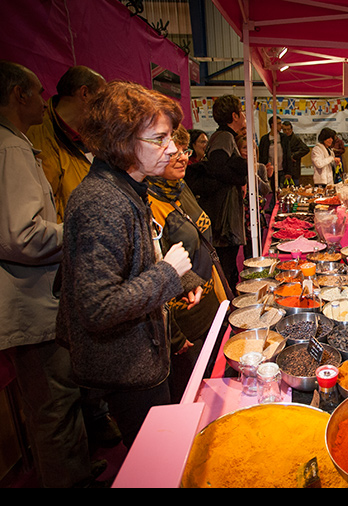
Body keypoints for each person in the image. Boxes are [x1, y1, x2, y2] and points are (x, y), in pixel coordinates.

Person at [57, 80, 194, 449]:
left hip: (142, 357)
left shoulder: (126, 187)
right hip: (127, 366)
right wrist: (167, 273)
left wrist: (184, 277)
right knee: (153, 460)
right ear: (122, 139)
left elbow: (131, 262)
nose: (172, 149)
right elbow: (98, 307)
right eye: (160, 139)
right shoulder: (101, 200)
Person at [0, 60, 98, 488]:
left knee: (63, 400)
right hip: (30, 302)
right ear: (18, 95)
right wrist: (80, 229)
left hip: (43, 297)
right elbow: (21, 235)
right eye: (39, 93)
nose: (45, 100)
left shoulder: (19, 142)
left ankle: (75, 468)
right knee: (54, 409)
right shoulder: (13, 147)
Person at [147, 125, 222, 403]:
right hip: (184, 320)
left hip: (206, 303)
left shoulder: (179, 188)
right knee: (190, 394)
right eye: (172, 152)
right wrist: (175, 336)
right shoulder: (149, 203)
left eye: (184, 151)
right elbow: (157, 266)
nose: (180, 157)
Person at [27, 65, 106, 223]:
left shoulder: (95, 137)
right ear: (84, 93)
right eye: (102, 98)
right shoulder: (36, 134)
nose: (105, 106)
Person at [192, 94, 248, 290]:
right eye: (241, 112)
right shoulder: (224, 136)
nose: (243, 116)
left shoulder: (225, 136)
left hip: (225, 211)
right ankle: (226, 307)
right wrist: (240, 173)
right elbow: (217, 166)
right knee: (225, 266)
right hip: (223, 215)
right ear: (234, 116)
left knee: (228, 264)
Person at [258, 115, 292, 188]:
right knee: (271, 191)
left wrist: (289, 171)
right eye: (279, 123)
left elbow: (288, 154)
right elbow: (261, 155)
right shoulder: (264, 139)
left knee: (283, 190)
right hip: (270, 170)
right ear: (272, 125)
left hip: (282, 170)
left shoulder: (284, 137)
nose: (281, 126)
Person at [282, 120, 309, 186]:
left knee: (295, 187)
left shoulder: (296, 139)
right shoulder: (281, 138)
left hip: (294, 168)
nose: (287, 131)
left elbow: (306, 149)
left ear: (291, 129)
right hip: (284, 168)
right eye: (285, 130)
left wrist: (294, 156)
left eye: (288, 129)